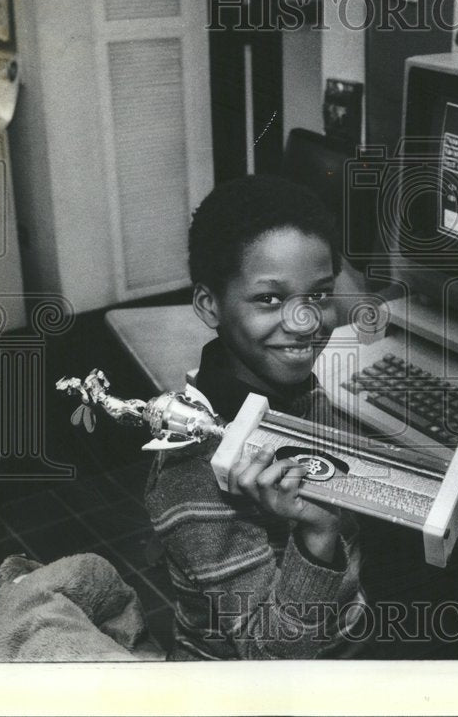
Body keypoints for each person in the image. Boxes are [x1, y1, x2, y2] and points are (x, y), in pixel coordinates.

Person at [144, 175, 363, 660]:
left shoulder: (289, 385)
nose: (306, 323)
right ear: (209, 305)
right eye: (269, 299)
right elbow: (268, 659)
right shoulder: (192, 470)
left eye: (321, 294)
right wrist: (317, 534)